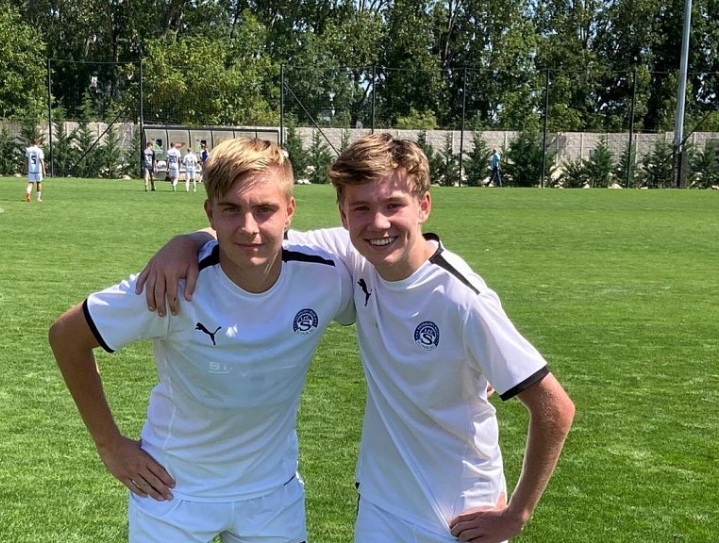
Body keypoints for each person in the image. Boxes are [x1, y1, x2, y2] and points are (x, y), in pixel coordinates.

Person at [137, 133, 576, 543]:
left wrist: (517, 514)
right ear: (344, 215)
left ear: (423, 205)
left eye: (393, 204)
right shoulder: (354, 256)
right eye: (362, 208)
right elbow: (255, 233)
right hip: (381, 507)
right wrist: (186, 241)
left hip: (459, 514)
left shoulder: (462, 300)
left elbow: (555, 408)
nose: (378, 223)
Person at [48, 137, 355, 543]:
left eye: (265, 209)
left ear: (290, 211)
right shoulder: (171, 283)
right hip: (174, 492)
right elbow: (66, 336)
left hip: (272, 495)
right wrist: (110, 446)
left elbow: (397, 255)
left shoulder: (328, 274)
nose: (249, 227)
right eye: (231, 209)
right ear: (211, 212)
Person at [25, 138, 46, 202]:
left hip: (31, 169)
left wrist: (26, 167)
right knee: (39, 182)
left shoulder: (28, 150)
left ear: (32, 143)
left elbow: (26, 160)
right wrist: (44, 170)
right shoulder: (39, 150)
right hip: (38, 169)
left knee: (31, 183)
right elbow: (41, 161)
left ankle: (28, 192)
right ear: (38, 143)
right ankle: (38, 198)